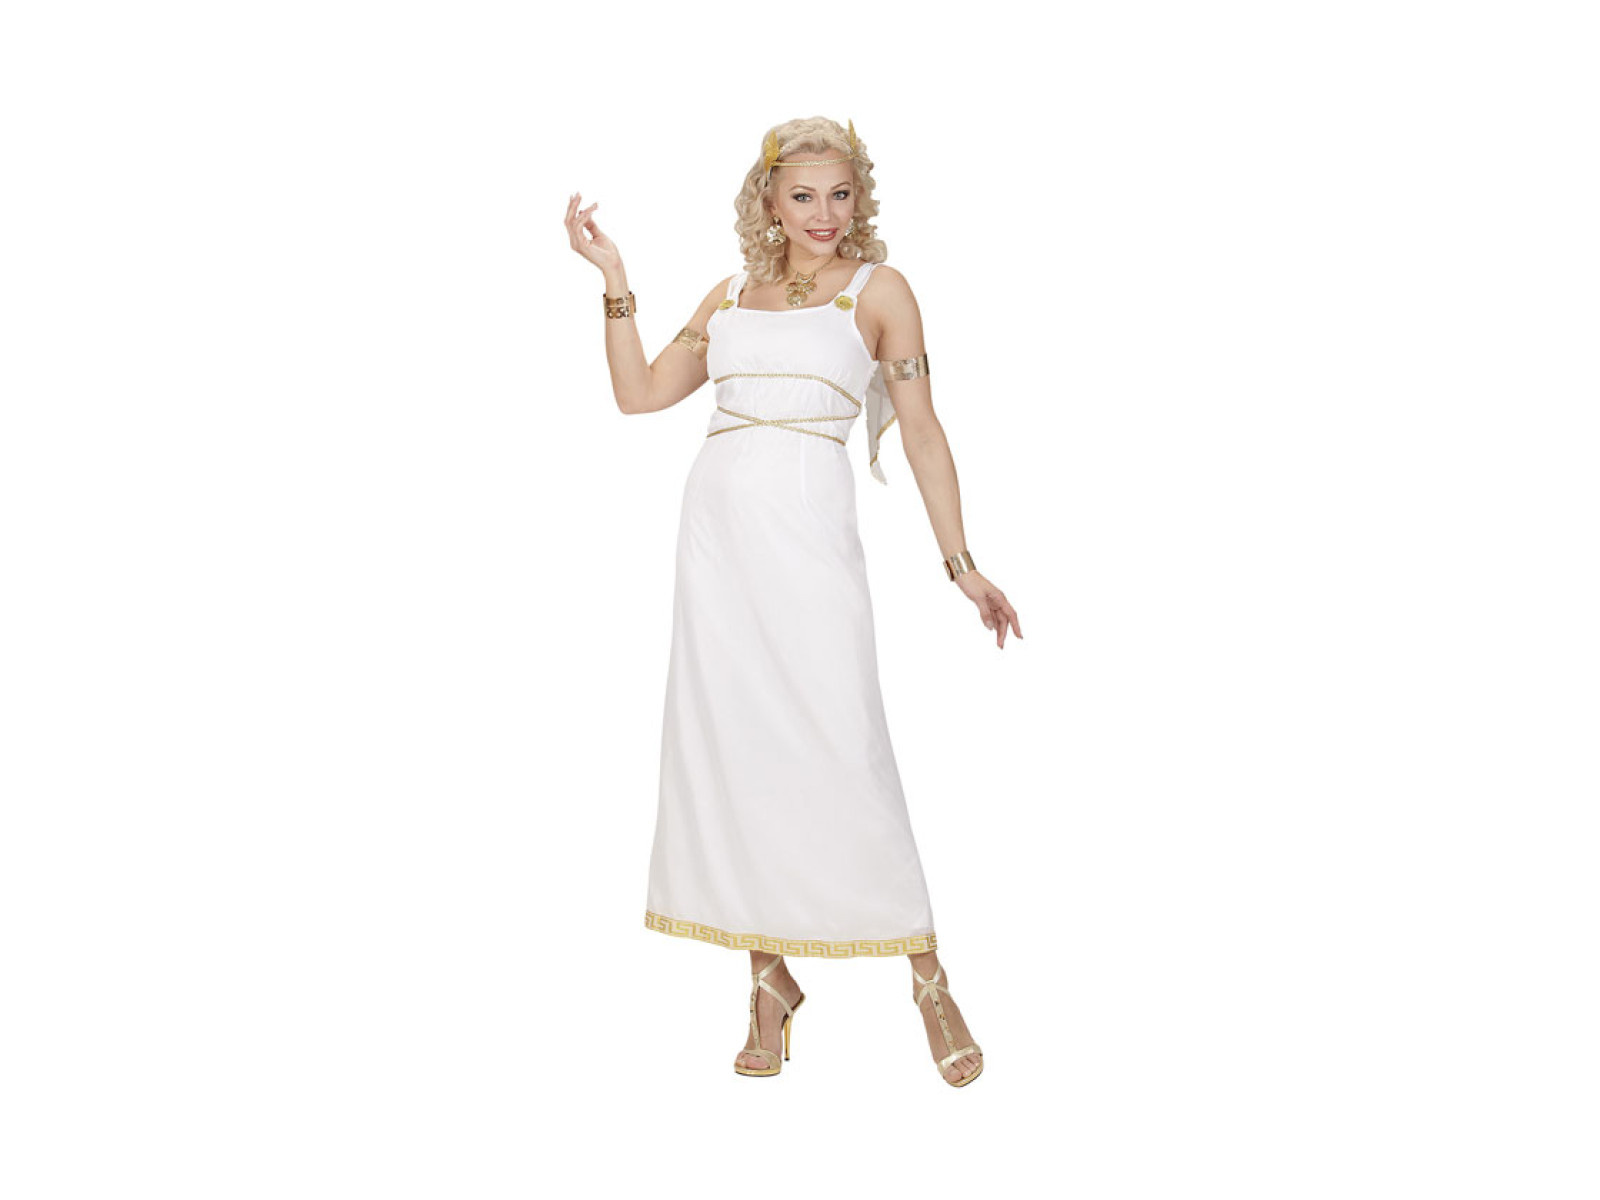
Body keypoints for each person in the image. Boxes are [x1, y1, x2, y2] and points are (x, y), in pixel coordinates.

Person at [564, 116, 1022, 1087]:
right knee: (738, 751)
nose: (824, 214)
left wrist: (961, 563)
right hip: (716, 546)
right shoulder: (730, 295)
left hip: (810, 540)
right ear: (768, 199)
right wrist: (612, 278)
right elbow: (640, 395)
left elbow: (923, 431)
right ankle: (767, 981)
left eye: (840, 194)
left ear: (861, 198)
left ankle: (927, 976)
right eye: (803, 194)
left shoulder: (878, 291)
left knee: (843, 745)